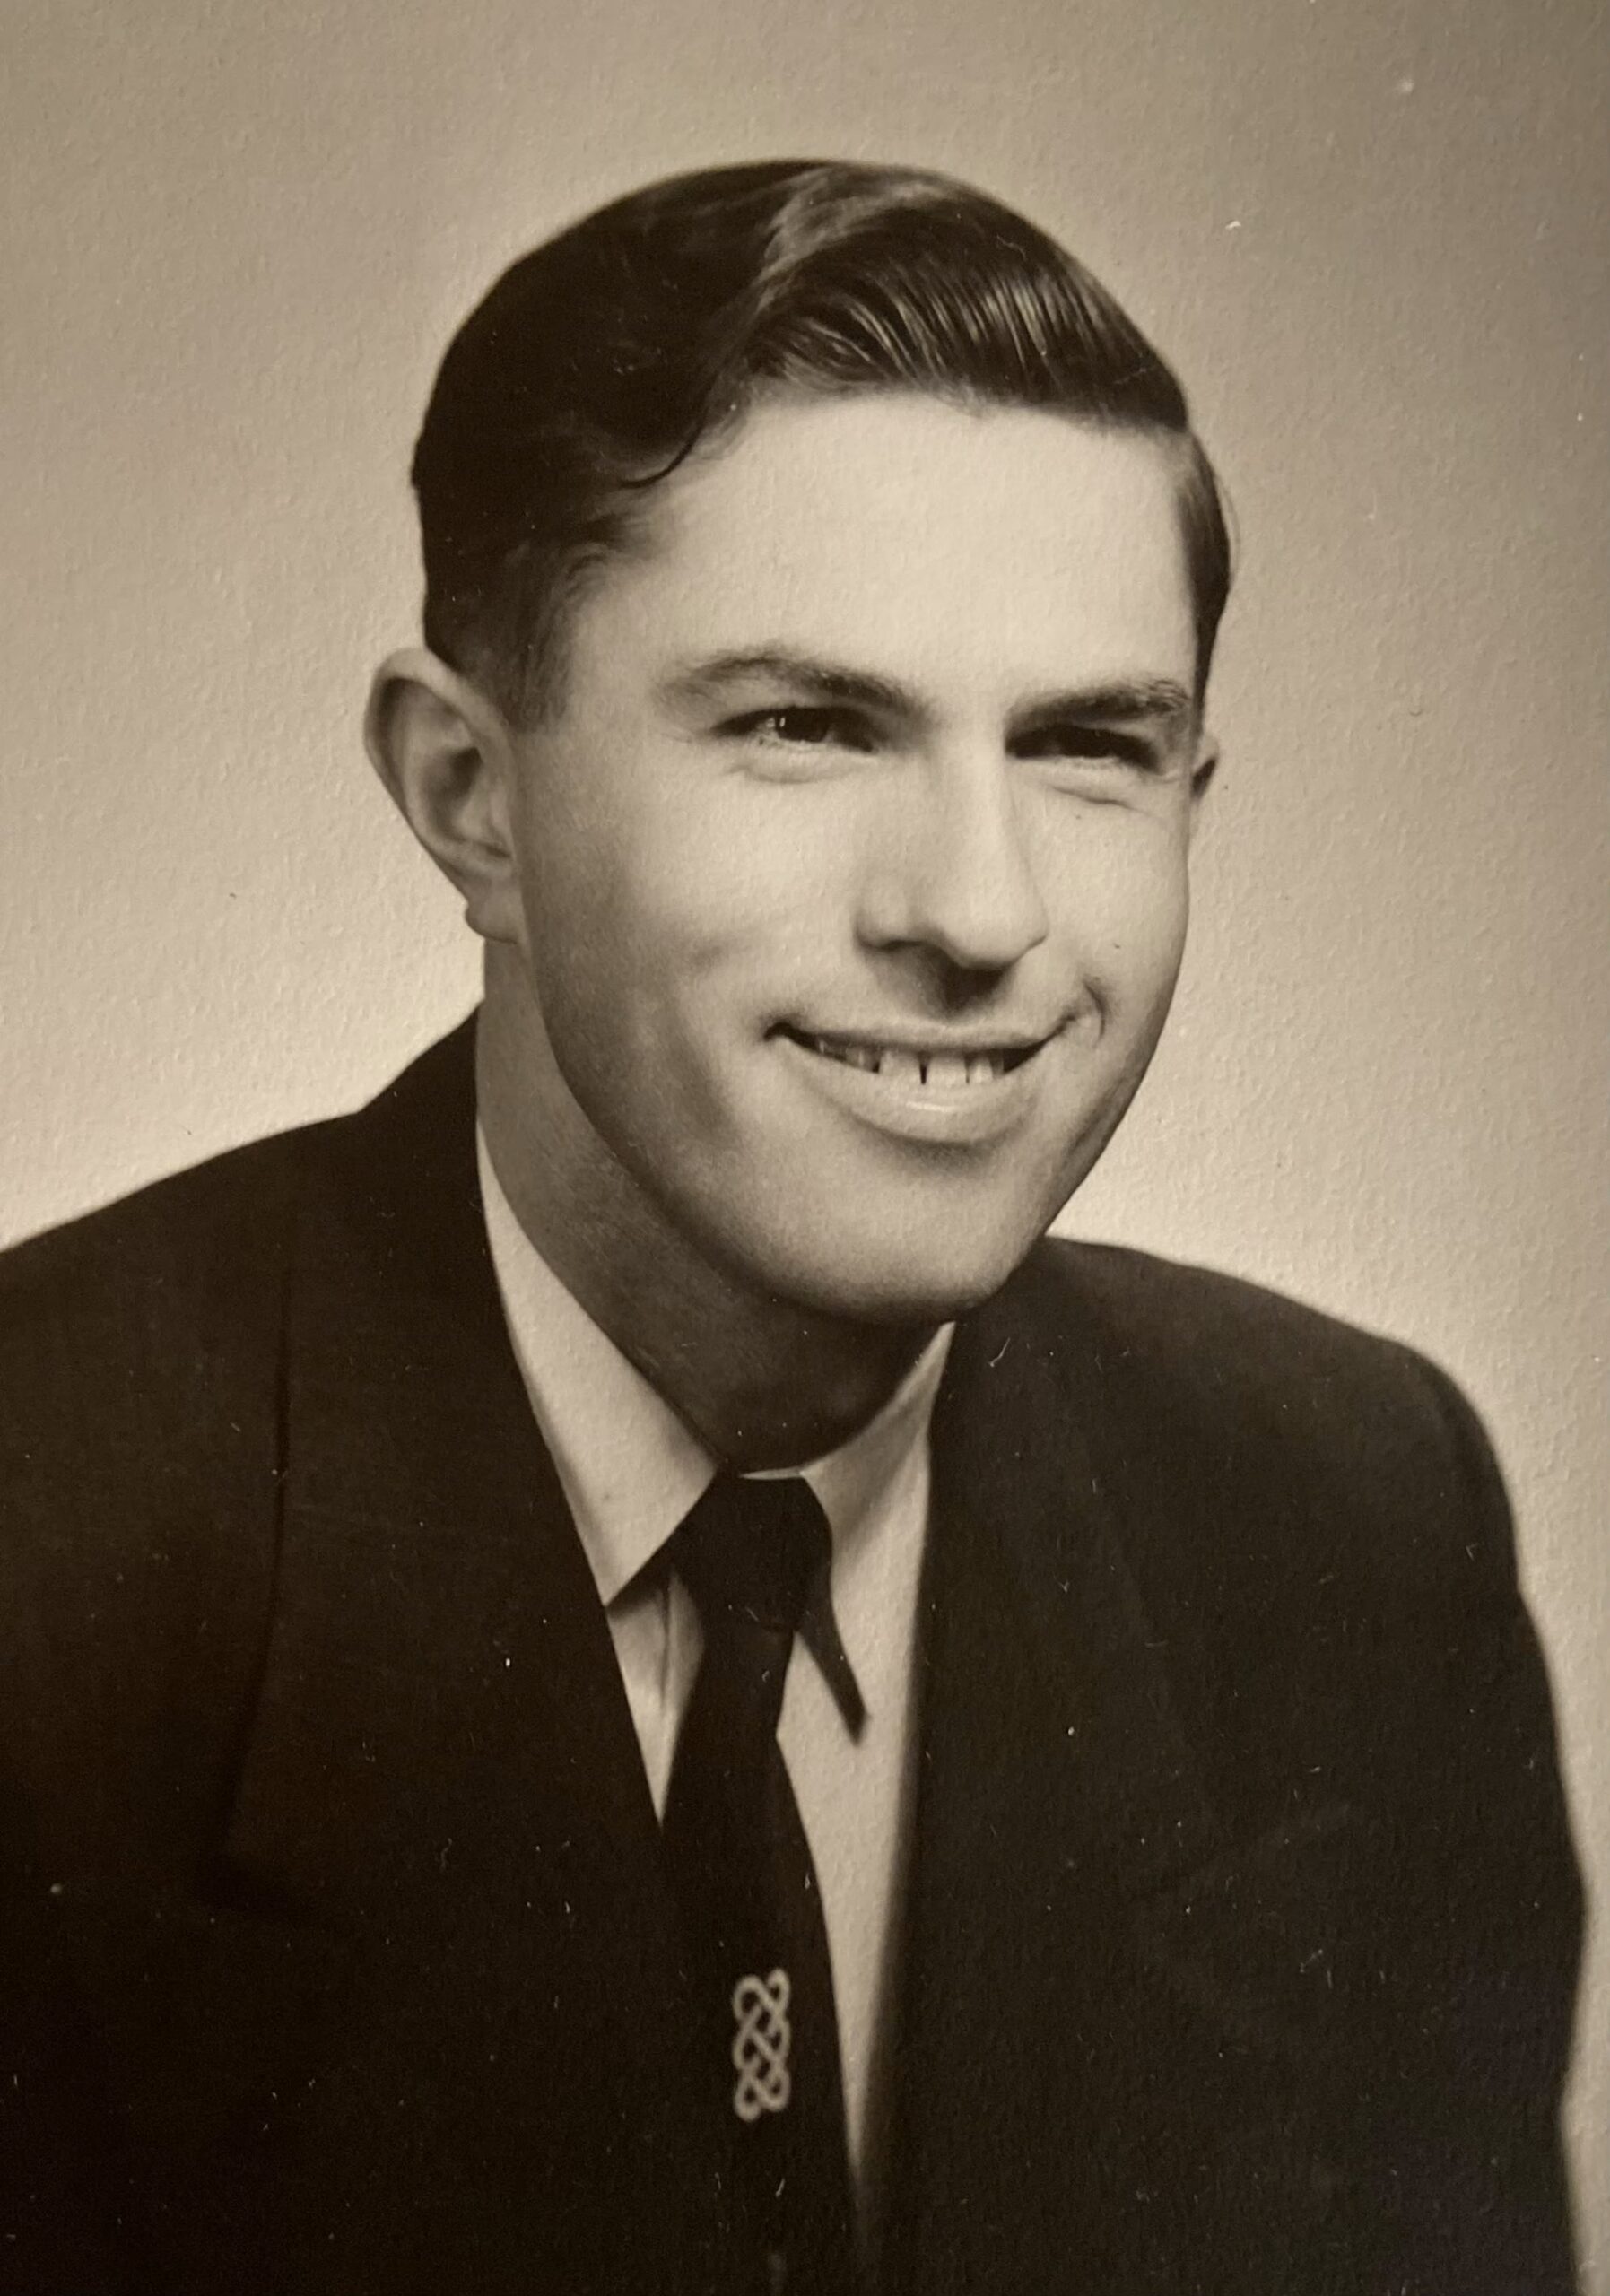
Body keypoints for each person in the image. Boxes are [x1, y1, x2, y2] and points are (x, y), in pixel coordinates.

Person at [0, 160, 1582, 2296]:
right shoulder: (44, 1552)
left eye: (1090, 746)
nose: (981, 911)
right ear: (469, 794)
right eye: (806, 726)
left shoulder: (1346, 1523)